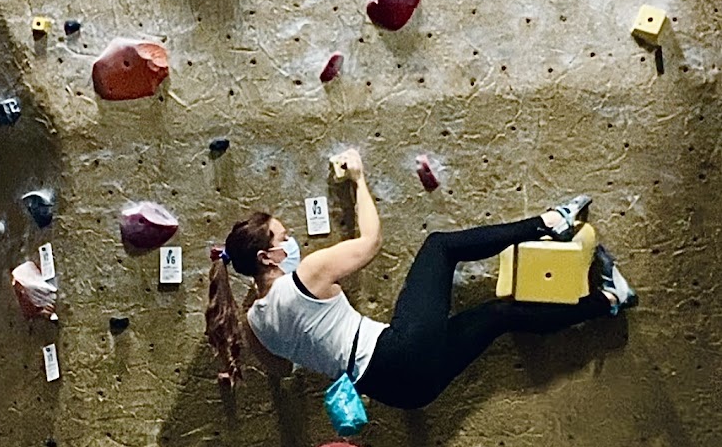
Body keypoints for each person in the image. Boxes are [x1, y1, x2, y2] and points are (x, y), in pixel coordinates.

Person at [205, 150, 637, 406]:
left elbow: (282, 370)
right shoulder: (305, 276)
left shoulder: (254, 324)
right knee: (440, 247)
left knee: (500, 316)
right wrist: (358, 179)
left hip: (401, 393)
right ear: (266, 257)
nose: (292, 240)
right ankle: (549, 223)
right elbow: (371, 241)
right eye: (284, 237)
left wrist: (259, 306)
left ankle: (608, 300)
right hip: (399, 352)